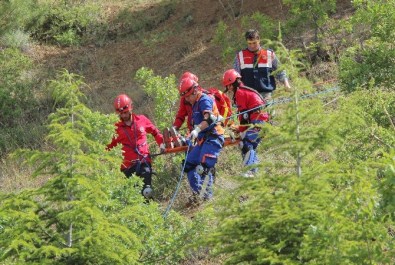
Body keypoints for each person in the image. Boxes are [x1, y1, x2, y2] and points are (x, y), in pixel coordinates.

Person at [107, 94, 165, 199]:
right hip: (127, 167)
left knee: (146, 192)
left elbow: (155, 132)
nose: (124, 116)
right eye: (121, 114)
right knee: (133, 197)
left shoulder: (142, 120)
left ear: (131, 108)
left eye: (125, 112)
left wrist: (161, 143)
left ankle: (150, 210)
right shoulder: (115, 128)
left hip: (144, 162)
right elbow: (108, 147)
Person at [178, 77, 224, 205]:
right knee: (188, 164)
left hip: (213, 137)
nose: (187, 100)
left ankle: (207, 198)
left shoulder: (204, 100)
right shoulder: (193, 103)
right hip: (202, 139)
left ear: (195, 91)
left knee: (203, 167)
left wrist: (197, 130)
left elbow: (208, 118)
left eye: (188, 97)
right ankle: (199, 193)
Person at [222, 69, 269, 177]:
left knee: (247, 143)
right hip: (259, 120)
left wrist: (241, 131)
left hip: (259, 120)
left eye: (230, 85)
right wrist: (240, 130)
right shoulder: (243, 91)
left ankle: (249, 171)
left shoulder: (240, 93)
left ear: (235, 82)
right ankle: (255, 175)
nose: (229, 88)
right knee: (247, 145)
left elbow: (244, 116)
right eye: (227, 86)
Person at [233, 29, 291, 100]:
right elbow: (235, 77)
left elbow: (280, 70)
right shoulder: (240, 56)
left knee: (268, 111)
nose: (252, 46)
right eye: (249, 43)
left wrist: (286, 84)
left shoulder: (269, 53)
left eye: (254, 43)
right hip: (248, 95)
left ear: (259, 40)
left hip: (267, 94)